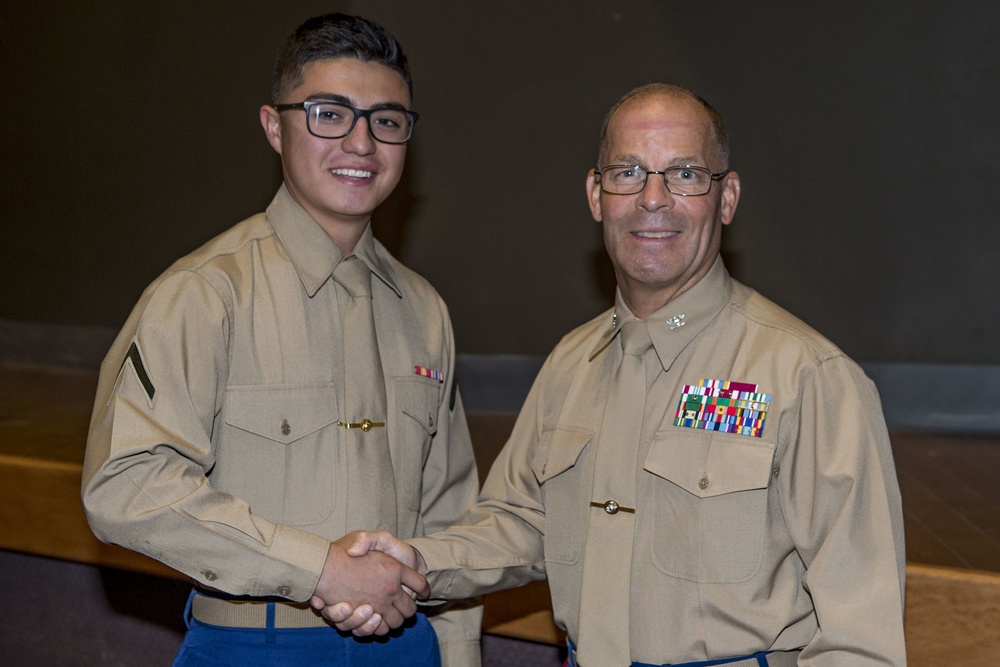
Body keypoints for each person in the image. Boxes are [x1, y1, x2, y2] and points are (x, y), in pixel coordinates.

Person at [332, 84, 907, 665]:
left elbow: (860, 632)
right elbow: (522, 522)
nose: (652, 199)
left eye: (684, 174)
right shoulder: (570, 364)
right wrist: (416, 563)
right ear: (596, 194)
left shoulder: (809, 376)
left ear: (726, 197)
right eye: (628, 173)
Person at [82, 13, 482, 667]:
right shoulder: (203, 294)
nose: (361, 143)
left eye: (386, 120)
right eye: (329, 113)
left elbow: (449, 510)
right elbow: (124, 483)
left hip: (410, 647)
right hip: (256, 644)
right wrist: (317, 567)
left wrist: (458, 655)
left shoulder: (425, 310)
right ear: (275, 126)